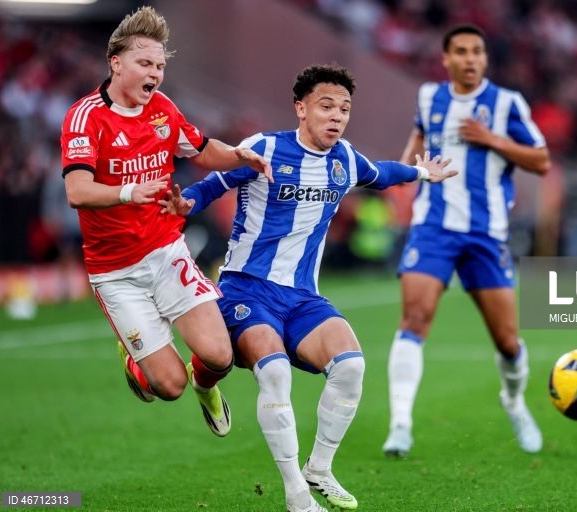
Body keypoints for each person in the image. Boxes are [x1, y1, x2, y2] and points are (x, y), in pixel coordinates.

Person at [161, 64, 456, 512]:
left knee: (352, 367)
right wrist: (186, 204)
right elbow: (212, 184)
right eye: (326, 106)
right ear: (300, 108)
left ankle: (319, 468)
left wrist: (421, 174)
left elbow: (380, 173)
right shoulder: (263, 149)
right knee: (275, 373)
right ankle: (296, 495)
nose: (336, 116)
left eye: (344, 109)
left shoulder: (344, 159)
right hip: (247, 289)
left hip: (302, 297)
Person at [60, 6, 272, 437]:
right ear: (116, 63)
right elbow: (76, 191)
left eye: (159, 65)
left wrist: (238, 155)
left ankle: (206, 387)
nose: (154, 73)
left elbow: (199, 148)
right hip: (116, 272)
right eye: (144, 63)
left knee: (219, 356)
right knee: (167, 387)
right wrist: (128, 192)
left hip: (165, 249)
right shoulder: (85, 118)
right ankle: (134, 355)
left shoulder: (162, 108)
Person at [382, 24, 551, 458]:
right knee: (414, 320)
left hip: (486, 233)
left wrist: (492, 138)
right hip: (432, 227)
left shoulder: (507, 103)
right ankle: (400, 424)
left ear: (485, 59)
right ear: (446, 58)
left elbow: (542, 160)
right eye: (461, 51)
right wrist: (404, 174)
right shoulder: (428, 97)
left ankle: (513, 402)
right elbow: (420, 135)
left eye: (478, 51)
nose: (470, 58)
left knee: (508, 341)